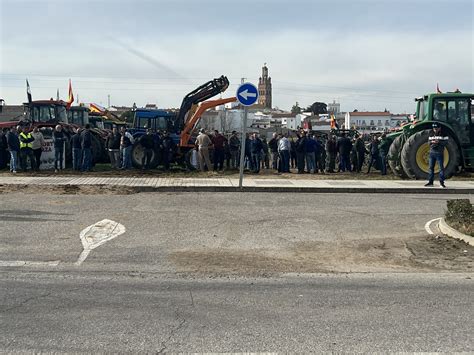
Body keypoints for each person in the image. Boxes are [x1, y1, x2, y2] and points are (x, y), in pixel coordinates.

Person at [425, 122, 448, 188]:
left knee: (441, 168)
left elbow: (446, 142)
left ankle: (441, 182)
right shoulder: (431, 134)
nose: (435, 130)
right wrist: (432, 142)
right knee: (431, 168)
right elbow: (428, 143)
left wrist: (439, 142)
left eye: (436, 128)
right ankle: (430, 182)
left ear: (439, 128)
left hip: (439, 153)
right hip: (432, 153)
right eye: (434, 128)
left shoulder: (444, 134)